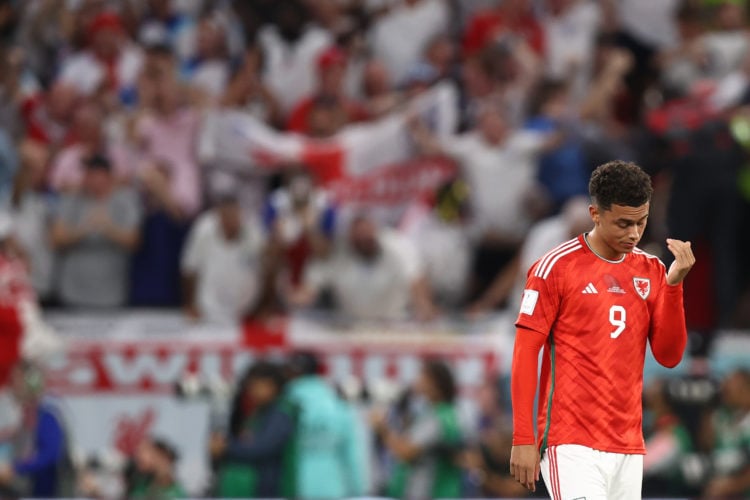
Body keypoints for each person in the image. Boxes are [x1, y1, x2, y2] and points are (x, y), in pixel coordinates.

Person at [509, 161, 695, 497]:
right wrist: (523, 437)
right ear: (595, 214)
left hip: (628, 446)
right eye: (623, 224)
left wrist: (673, 286)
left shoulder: (650, 269)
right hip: (570, 442)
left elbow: (669, 356)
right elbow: (525, 352)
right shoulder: (555, 268)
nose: (634, 234)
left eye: (641, 222)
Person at [51, 154, 142, 308]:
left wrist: (108, 227)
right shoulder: (72, 199)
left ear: (109, 176)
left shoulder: (126, 201)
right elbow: (56, 239)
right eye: (89, 175)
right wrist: (84, 229)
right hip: (73, 292)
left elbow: (134, 242)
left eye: (98, 175)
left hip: (112, 294)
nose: (93, 181)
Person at [372, 359, 464, 499]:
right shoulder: (449, 413)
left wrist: (382, 429)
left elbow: (406, 452)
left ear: (435, 383)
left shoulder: (438, 417)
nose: (417, 381)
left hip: (430, 492)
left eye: (423, 377)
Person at [283, 351, 365, 499]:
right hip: (333, 484)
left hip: (293, 484)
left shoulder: (285, 403)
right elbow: (352, 453)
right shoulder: (337, 404)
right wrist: (359, 489)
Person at [211, 361, 295, 498]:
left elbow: (262, 447)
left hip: (270, 490)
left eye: (256, 385)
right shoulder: (261, 413)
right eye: (249, 386)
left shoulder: (280, 414)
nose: (251, 391)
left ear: (272, 385)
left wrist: (227, 447)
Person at [181, 191, 266, 323]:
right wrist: (191, 305)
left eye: (234, 216)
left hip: (246, 312)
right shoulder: (203, 229)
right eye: (226, 217)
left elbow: (267, 272)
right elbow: (189, 269)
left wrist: (261, 309)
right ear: (219, 216)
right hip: (208, 309)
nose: (231, 221)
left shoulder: (253, 232)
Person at [0, 362, 69, 498]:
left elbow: (50, 454)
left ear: (31, 384)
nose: (12, 386)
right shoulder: (27, 414)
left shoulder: (47, 413)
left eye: (17, 381)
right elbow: (14, 439)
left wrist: (15, 469)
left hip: (45, 492)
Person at [703, 369, 750, 497]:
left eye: (732, 386)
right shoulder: (721, 417)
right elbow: (706, 446)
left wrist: (733, 485)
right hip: (720, 484)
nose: (726, 389)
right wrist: (709, 404)